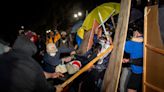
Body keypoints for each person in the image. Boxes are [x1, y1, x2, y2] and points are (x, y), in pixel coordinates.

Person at [123, 24, 143, 92]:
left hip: (137, 71)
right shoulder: (146, 41)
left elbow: (125, 48)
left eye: (134, 31)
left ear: (137, 33)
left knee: (131, 89)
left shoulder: (133, 43)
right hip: (144, 71)